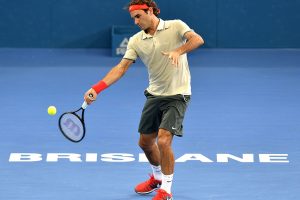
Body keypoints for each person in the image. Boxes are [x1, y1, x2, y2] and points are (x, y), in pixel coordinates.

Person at [84, 0, 204, 199]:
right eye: (133, 18)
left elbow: (197, 40)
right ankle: (157, 178)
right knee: (145, 143)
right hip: (154, 94)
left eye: (138, 16)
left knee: (164, 140)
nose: (136, 21)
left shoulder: (176, 26)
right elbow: (121, 68)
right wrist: (97, 88)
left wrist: (178, 51)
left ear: (150, 11)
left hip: (178, 94)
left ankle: (166, 190)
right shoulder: (136, 40)